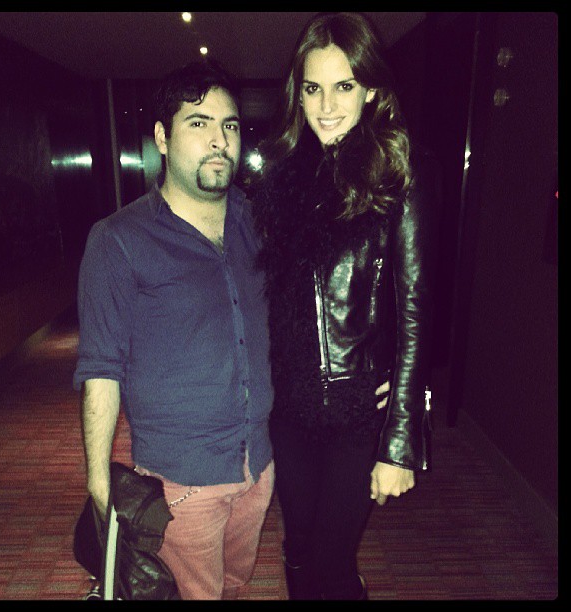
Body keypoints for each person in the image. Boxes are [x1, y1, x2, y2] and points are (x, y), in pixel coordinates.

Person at [252, 12, 440, 600]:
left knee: (333, 564)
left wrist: (400, 440)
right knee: (298, 550)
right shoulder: (282, 178)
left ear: (371, 90)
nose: (327, 105)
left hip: (358, 412)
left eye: (344, 86)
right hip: (290, 410)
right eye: (313, 88)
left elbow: (415, 312)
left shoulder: (397, 175)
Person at [73, 59, 275, 600]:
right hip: (182, 482)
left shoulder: (257, 222)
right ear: (162, 138)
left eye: (229, 125)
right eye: (199, 123)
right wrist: (99, 484)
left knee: (234, 583)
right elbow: (101, 370)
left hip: (258, 465)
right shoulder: (118, 240)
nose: (219, 140)